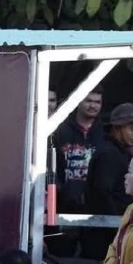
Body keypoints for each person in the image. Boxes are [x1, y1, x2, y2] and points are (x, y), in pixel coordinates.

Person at [85, 102, 133, 259]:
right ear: (116, 128)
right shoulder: (109, 155)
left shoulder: (117, 153)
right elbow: (102, 194)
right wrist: (119, 228)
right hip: (105, 237)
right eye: (132, 128)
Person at [49, 87, 105, 251]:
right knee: (61, 249)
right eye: (89, 101)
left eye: (97, 102)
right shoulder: (59, 128)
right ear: (78, 101)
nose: (93, 106)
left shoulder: (104, 132)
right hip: (63, 201)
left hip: (93, 203)